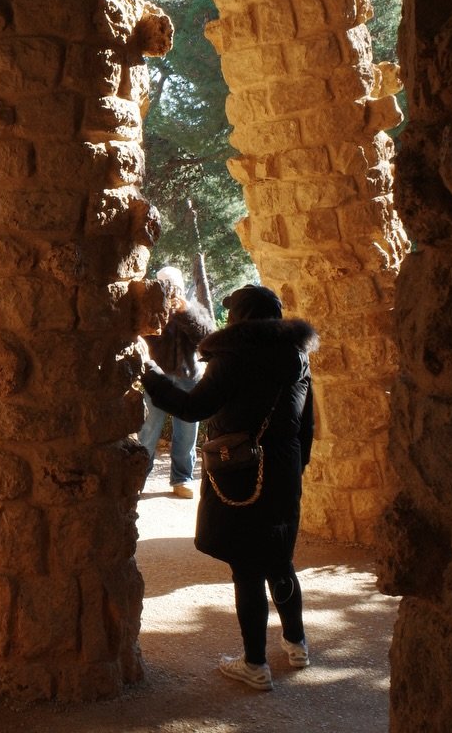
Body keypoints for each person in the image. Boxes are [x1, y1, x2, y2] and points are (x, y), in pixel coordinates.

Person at [142, 284, 317, 691]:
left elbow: (192, 407)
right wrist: (297, 467)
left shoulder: (232, 357)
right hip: (284, 469)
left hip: (240, 471)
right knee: (280, 559)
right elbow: (307, 422)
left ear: (238, 317)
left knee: (248, 569)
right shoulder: (298, 355)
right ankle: (297, 644)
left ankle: (255, 664)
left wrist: (148, 372)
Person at [139, 266, 216, 498]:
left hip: (188, 379)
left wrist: (186, 311)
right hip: (156, 377)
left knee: (187, 432)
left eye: (175, 287)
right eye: (166, 286)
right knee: (148, 430)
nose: (172, 292)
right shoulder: (150, 310)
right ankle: (139, 476)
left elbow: (208, 338)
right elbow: (141, 339)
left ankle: (182, 479)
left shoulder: (194, 309)